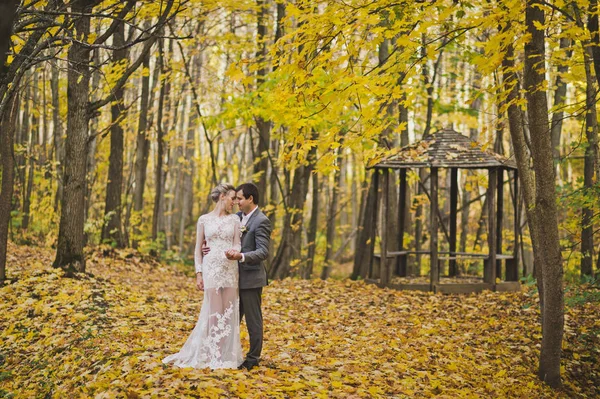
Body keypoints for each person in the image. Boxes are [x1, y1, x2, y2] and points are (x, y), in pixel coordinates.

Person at [162, 183, 243, 369]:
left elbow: (238, 244)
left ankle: (225, 355)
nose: (235, 202)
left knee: (228, 312)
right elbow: (198, 250)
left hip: (230, 269)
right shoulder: (203, 220)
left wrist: (234, 251)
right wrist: (199, 274)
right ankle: (213, 355)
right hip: (211, 269)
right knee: (214, 312)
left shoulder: (235, 221)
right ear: (222, 196)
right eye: (232, 198)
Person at [205, 182, 271, 371]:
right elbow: (221, 236)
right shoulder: (236, 217)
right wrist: (207, 248)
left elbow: (263, 252)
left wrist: (241, 256)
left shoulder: (261, 221)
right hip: (231, 278)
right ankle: (225, 354)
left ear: (250, 199)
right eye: (235, 199)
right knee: (229, 318)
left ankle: (253, 358)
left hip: (251, 279)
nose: (237, 202)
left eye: (240, 199)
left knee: (253, 319)